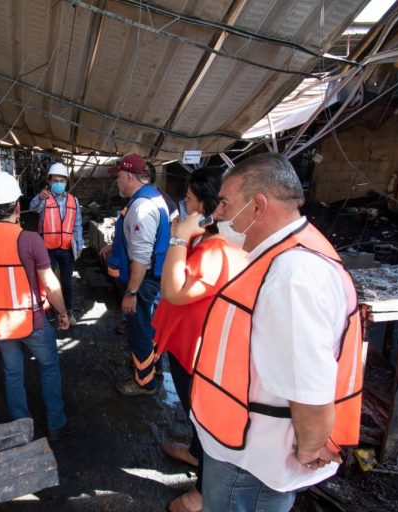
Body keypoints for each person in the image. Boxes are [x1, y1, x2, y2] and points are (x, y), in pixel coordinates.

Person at [189, 153, 364, 511]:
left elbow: (309, 386)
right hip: (242, 446)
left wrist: (311, 447)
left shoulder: (292, 276)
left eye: (224, 202)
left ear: (257, 206)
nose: (217, 213)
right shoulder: (284, 254)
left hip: (254, 462)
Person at [151, 168, 247, 512]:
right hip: (185, 346)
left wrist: (178, 237)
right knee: (195, 415)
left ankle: (204, 494)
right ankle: (194, 454)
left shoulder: (215, 250)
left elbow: (173, 290)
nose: (184, 204)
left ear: (205, 205)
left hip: (198, 353)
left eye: (189, 199)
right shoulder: (205, 241)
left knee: (205, 421)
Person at [0, 171, 77, 442]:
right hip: (32, 321)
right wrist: (63, 313)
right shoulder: (29, 240)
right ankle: (56, 424)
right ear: (17, 206)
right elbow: (51, 285)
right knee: (49, 368)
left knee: (12, 371)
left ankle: (21, 427)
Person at [106, 154, 170, 396]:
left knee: (140, 330)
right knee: (149, 327)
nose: (118, 183)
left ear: (130, 176)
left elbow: (142, 257)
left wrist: (131, 293)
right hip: (152, 279)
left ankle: (144, 383)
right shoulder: (153, 196)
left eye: (119, 177)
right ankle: (152, 369)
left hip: (142, 283)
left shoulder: (142, 207)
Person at [29, 162, 84, 326]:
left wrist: (79, 245)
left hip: (67, 248)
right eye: (55, 180)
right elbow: (32, 209)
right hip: (48, 248)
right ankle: (49, 312)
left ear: (66, 182)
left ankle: (68, 311)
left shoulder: (74, 201)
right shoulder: (44, 199)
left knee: (67, 282)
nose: (59, 183)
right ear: (50, 181)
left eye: (62, 180)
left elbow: (77, 225)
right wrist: (39, 197)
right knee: (47, 283)